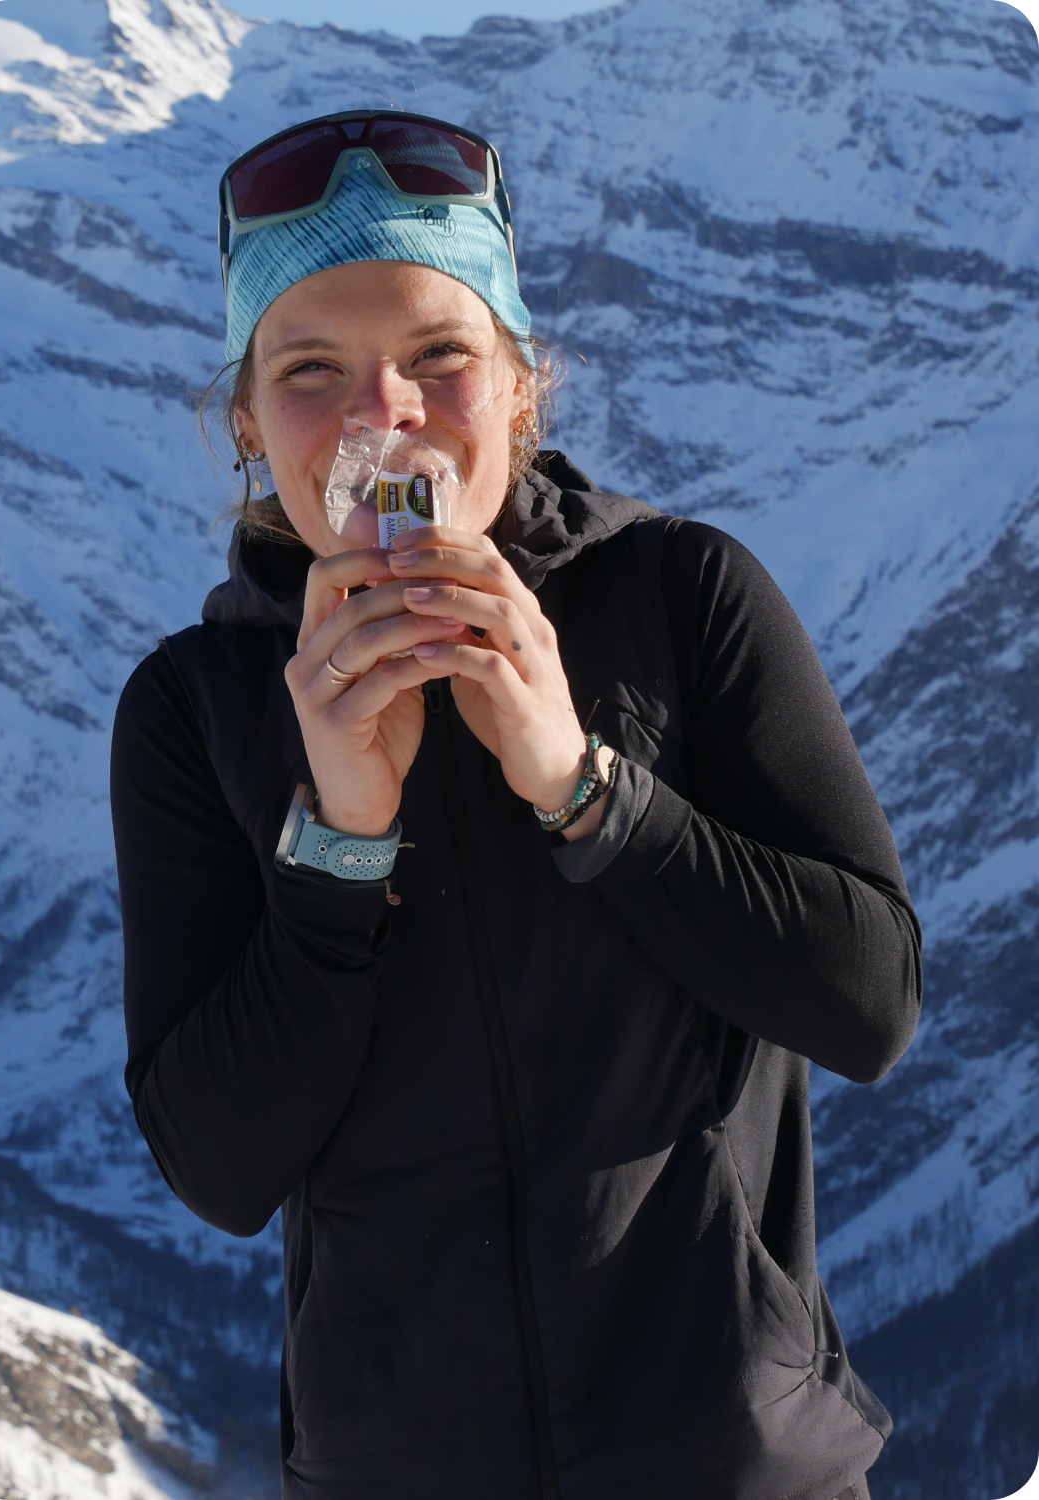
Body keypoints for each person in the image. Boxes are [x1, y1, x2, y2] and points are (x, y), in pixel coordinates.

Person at [111, 110, 922, 1500]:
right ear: (247, 422)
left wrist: (586, 789)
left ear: (524, 385)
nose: (385, 420)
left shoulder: (683, 597)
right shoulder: (199, 707)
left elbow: (869, 1002)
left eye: (442, 356)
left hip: (736, 1466)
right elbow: (220, 1168)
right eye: (314, 372)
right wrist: (340, 847)